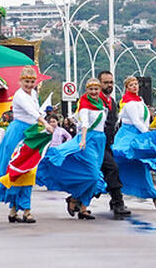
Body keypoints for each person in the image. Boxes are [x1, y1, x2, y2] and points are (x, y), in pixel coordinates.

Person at [0, 66, 53, 224]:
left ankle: (25, 209)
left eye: (32, 81)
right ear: (20, 81)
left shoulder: (33, 93)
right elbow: (32, 112)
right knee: (15, 169)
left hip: (31, 133)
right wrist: (45, 123)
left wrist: (43, 123)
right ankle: (15, 209)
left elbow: (37, 112)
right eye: (26, 81)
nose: (29, 84)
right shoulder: (19, 95)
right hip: (18, 134)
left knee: (29, 170)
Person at [37, 78, 108, 220]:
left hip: (100, 141)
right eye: (91, 89)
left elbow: (76, 118)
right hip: (87, 141)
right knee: (93, 176)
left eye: (96, 89)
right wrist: (82, 140)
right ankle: (74, 199)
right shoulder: (85, 105)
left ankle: (84, 208)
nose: (94, 92)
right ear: (86, 90)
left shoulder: (101, 104)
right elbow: (85, 123)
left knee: (93, 176)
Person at [112, 76, 156, 209]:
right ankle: (115, 194)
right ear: (126, 88)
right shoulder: (129, 103)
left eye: (136, 84)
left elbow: (144, 119)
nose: (135, 87)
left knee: (141, 166)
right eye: (131, 85)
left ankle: (153, 196)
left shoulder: (139, 100)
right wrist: (148, 134)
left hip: (138, 135)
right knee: (120, 165)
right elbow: (136, 121)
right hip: (129, 136)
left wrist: (147, 133)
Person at [93, 70, 131, 218]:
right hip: (96, 143)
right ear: (99, 83)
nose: (109, 85)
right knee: (111, 169)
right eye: (106, 82)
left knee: (105, 172)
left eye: (111, 82)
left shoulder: (112, 102)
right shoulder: (95, 100)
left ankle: (115, 201)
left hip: (107, 143)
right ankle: (118, 202)